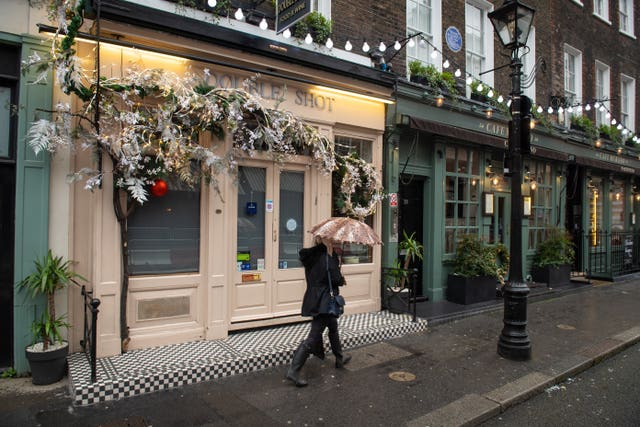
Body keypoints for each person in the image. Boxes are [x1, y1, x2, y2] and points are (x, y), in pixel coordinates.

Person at [286, 236, 351, 387]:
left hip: (315, 298)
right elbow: (335, 278)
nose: (333, 241)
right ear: (324, 241)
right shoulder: (327, 257)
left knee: (333, 326)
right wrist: (341, 278)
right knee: (314, 336)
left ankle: (339, 358)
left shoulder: (312, 256)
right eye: (330, 239)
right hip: (324, 301)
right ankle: (294, 371)